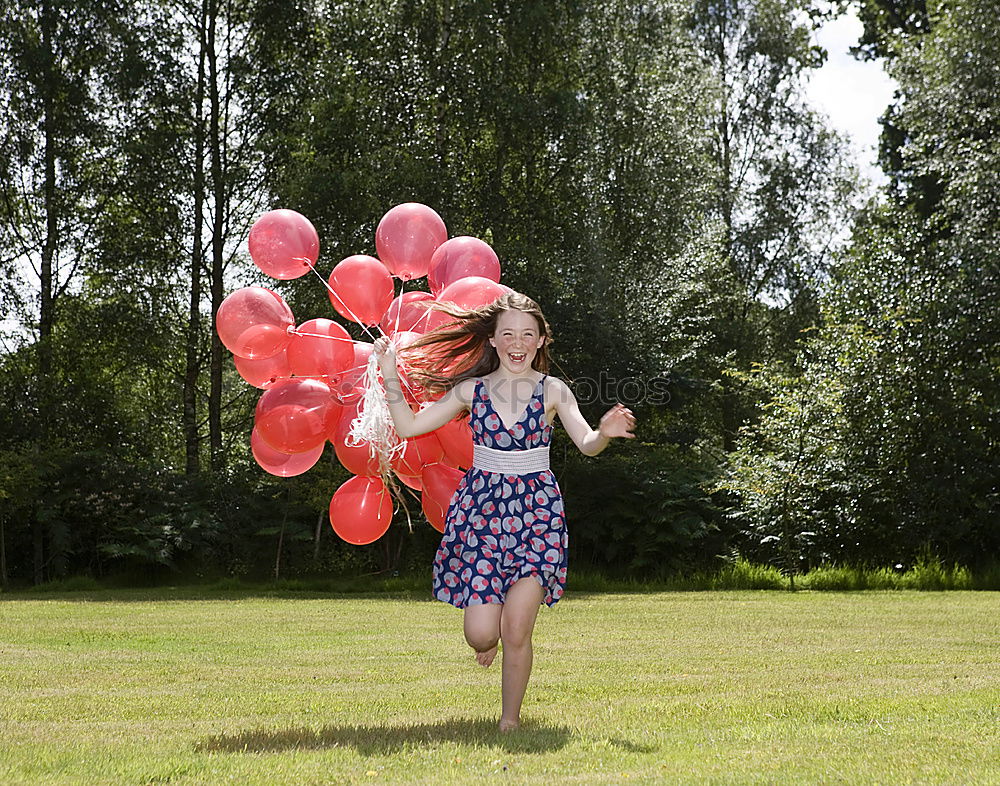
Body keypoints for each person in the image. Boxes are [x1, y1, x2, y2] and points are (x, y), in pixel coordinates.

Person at [373, 292, 635, 732]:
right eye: (508, 333)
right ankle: (484, 639)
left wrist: (604, 433)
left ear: (540, 340)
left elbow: (587, 444)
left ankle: (509, 722)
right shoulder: (469, 391)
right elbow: (409, 426)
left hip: (537, 516)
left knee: (517, 628)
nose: (518, 342)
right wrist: (390, 375)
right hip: (481, 515)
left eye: (527, 334)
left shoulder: (553, 390)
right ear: (492, 340)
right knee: (481, 633)